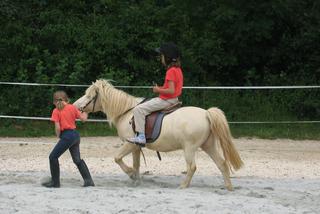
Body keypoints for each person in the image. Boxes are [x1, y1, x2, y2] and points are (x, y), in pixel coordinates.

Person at [127, 42, 184, 145]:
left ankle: (141, 137)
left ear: (167, 57)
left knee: (138, 109)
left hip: (166, 101)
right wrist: (161, 88)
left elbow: (170, 91)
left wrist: (158, 90)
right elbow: (172, 89)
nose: (161, 58)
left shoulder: (170, 71)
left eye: (162, 56)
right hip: (174, 99)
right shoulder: (178, 70)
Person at [42, 90, 95, 188]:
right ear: (67, 99)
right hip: (75, 135)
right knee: (77, 160)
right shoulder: (72, 108)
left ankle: (55, 183)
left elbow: (57, 127)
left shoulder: (56, 111)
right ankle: (88, 181)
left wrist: (58, 136)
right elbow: (83, 119)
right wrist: (86, 111)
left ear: (54, 102)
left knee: (52, 157)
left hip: (67, 136)